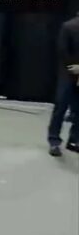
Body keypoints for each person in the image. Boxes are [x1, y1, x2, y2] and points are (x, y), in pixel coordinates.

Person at [48, 12, 79, 156]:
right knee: (60, 107)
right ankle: (54, 141)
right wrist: (73, 67)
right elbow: (62, 50)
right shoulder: (69, 26)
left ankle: (74, 140)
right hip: (67, 74)